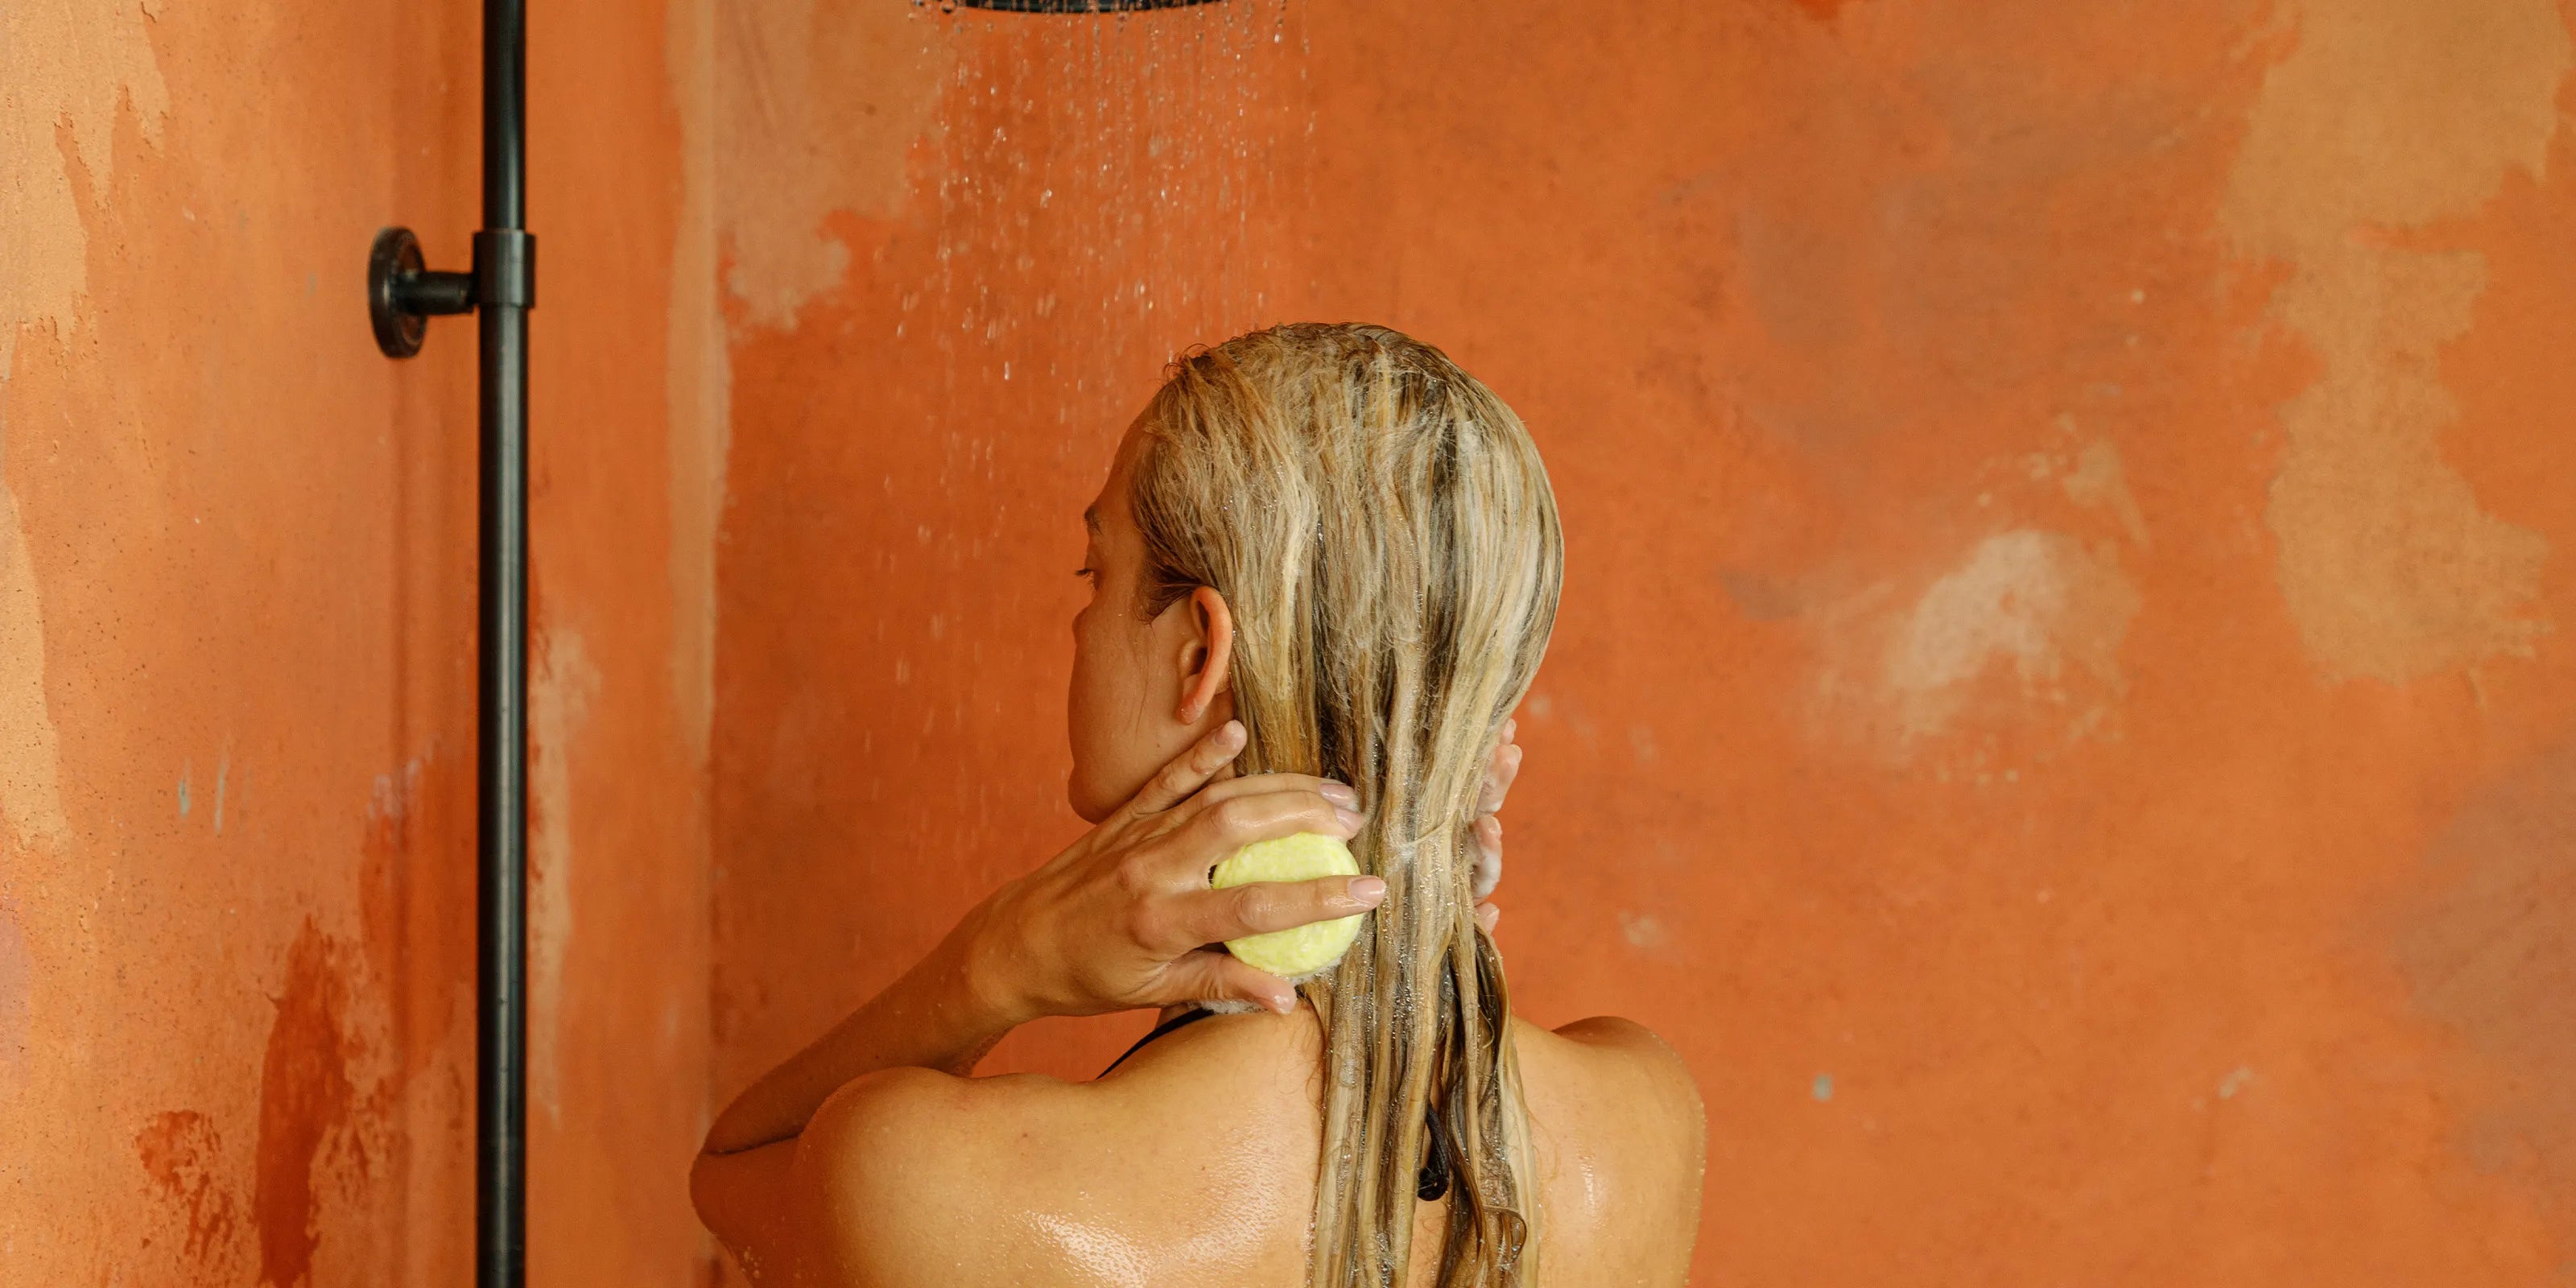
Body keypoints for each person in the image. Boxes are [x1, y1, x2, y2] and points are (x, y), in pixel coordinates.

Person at [691, 324, 1705, 1287]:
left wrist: (995, 965)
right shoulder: (1645, 1119)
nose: (1079, 621)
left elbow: (734, 1172)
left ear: (1198, 655)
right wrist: (1415, 899)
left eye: (1096, 570)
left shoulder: (935, 1180)